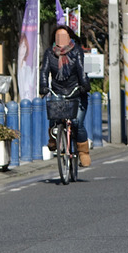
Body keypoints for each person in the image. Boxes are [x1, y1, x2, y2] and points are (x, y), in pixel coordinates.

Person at [39, 24, 92, 167]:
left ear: (70, 38)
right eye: (58, 37)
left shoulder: (77, 51)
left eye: (64, 36)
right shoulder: (49, 53)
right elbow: (44, 72)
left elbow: (82, 70)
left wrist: (84, 86)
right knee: (54, 115)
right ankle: (53, 139)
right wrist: (43, 87)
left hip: (76, 92)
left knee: (77, 123)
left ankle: (83, 152)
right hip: (58, 90)